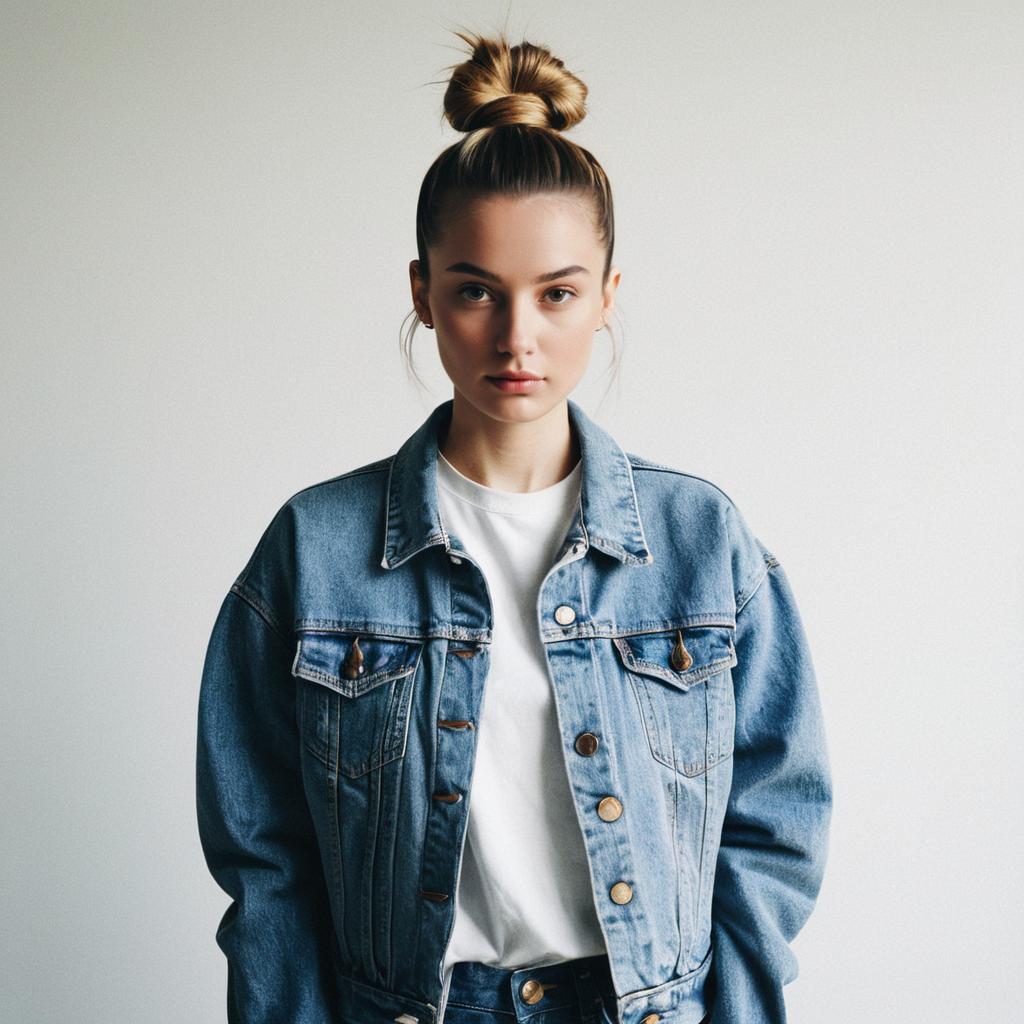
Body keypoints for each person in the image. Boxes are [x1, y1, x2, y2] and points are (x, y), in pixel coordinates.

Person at [196, 29, 832, 1024]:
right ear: (423, 293)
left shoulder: (702, 543)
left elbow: (774, 826)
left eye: (557, 293)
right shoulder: (314, 551)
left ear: (607, 298)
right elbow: (264, 857)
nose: (516, 337)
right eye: (475, 292)